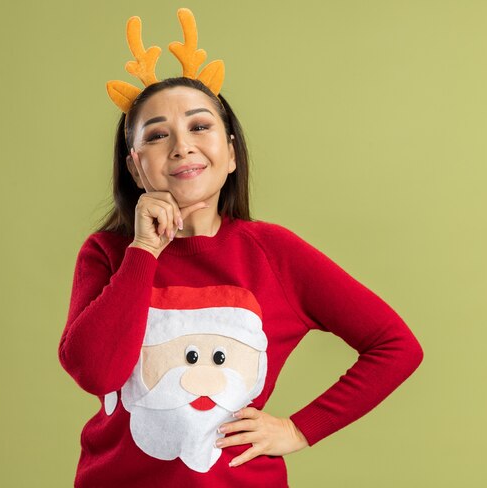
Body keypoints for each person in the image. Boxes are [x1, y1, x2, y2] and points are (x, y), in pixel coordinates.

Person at [58, 8, 424, 488]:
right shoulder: (108, 253)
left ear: (230, 154)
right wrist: (144, 249)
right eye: (156, 135)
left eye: (200, 126)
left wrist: (298, 429)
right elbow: (95, 372)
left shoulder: (272, 252)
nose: (181, 146)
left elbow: (396, 346)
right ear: (134, 165)